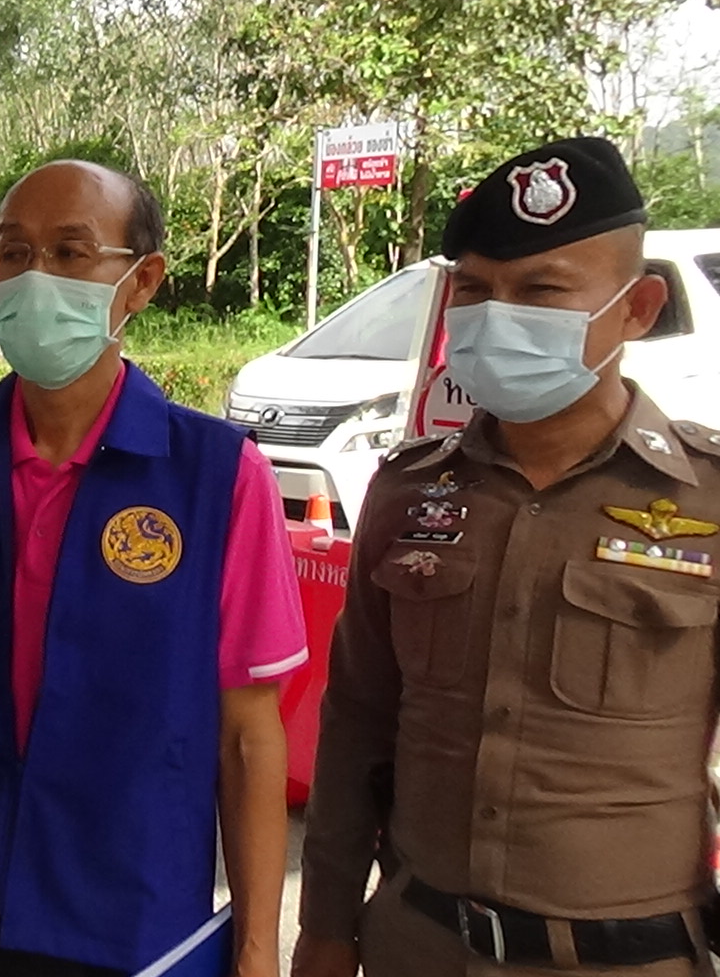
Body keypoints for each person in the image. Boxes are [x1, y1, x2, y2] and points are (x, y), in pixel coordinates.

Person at [294, 137, 720, 977]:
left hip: (629, 959)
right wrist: (326, 926)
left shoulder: (707, 501)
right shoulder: (408, 490)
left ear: (637, 309)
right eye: (476, 291)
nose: (497, 316)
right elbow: (356, 725)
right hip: (418, 946)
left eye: (541, 291)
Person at [0, 160, 306, 977]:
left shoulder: (217, 478)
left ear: (141, 282)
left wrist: (255, 953)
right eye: (14, 253)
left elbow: (249, 738)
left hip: (133, 934)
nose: (34, 278)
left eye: (70, 253)